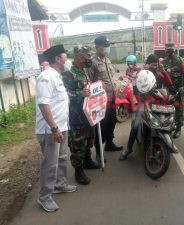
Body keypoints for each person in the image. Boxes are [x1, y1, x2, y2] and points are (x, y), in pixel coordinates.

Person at [35, 45, 76, 212]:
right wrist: (54, 128)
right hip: (50, 129)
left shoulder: (58, 76)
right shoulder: (46, 77)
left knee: (62, 158)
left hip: (62, 126)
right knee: (50, 164)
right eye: (66, 56)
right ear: (58, 59)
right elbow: (44, 104)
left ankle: (60, 184)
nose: (68, 59)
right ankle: (44, 197)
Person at [62, 46, 100, 186]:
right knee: (78, 144)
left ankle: (88, 161)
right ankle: (78, 170)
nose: (88, 59)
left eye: (89, 56)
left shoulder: (84, 71)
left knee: (89, 139)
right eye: (85, 56)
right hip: (76, 116)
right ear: (78, 57)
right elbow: (65, 95)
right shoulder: (68, 75)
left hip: (88, 114)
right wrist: (79, 94)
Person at [88, 36, 123, 162]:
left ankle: (109, 143)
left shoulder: (107, 60)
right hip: (101, 101)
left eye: (108, 45)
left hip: (112, 97)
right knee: (101, 125)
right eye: (104, 45)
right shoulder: (92, 62)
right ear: (97, 47)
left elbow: (111, 75)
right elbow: (90, 81)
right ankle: (98, 152)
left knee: (112, 121)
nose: (107, 47)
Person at [163, 43, 184, 138]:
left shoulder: (181, 60)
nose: (170, 52)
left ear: (174, 50)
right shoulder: (163, 62)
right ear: (166, 51)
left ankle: (178, 128)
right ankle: (171, 124)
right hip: (168, 90)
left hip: (179, 90)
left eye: (171, 50)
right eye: (168, 50)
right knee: (168, 109)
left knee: (179, 109)